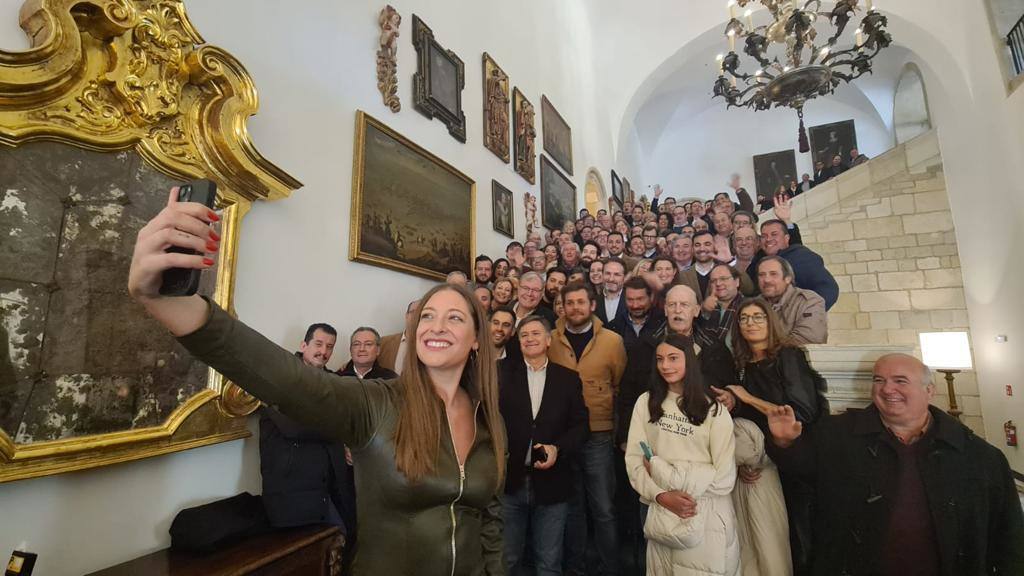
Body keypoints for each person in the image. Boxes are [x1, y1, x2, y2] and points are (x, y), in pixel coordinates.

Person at [127, 191, 507, 575]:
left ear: (477, 338)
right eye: (427, 316)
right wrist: (169, 300)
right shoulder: (377, 404)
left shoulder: (487, 418)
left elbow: (490, 520)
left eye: (455, 318)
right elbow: (286, 380)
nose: (437, 326)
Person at [765, 353, 1024, 575]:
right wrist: (787, 444)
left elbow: (1009, 536)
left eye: (900, 381)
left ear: (929, 390)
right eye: (879, 380)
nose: (887, 389)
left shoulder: (978, 456)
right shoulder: (835, 435)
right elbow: (803, 472)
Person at [727, 297, 829, 575]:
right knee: (774, 538)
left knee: (801, 532)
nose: (751, 323)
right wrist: (751, 461)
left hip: (799, 454)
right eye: (744, 318)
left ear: (770, 320)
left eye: (758, 317)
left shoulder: (788, 355)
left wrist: (747, 397)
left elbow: (802, 412)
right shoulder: (744, 364)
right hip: (770, 459)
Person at [625, 335, 739, 576]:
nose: (665, 366)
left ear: (690, 361)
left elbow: (724, 477)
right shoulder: (645, 403)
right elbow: (635, 461)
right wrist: (662, 496)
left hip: (703, 513)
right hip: (660, 512)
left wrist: (663, 473)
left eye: (673, 358)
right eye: (660, 359)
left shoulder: (714, 410)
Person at [499, 315, 590, 576]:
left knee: (548, 561)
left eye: (536, 333)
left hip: (553, 483)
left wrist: (557, 448)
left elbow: (581, 426)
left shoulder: (568, 378)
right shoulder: (500, 373)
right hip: (510, 481)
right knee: (509, 558)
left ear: (548, 340)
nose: (529, 338)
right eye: (524, 334)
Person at [548, 282, 627, 576]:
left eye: (581, 302)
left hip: (598, 434)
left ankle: (611, 568)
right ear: (562, 307)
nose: (576, 308)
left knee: (604, 508)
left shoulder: (612, 341)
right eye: (570, 303)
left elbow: (618, 385)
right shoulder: (550, 339)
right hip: (563, 435)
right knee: (573, 506)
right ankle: (576, 567)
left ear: (593, 305)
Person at [259, 322, 352, 535]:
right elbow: (295, 427)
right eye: (318, 344)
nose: (324, 352)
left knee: (345, 540)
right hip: (293, 490)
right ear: (304, 345)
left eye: (330, 346)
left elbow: (346, 419)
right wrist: (337, 427)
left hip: (332, 484)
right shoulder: (279, 378)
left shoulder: (335, 381)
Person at [760, 219, 838, 310]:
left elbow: (828, 288)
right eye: (764, 236)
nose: (768, 239)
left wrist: (807, 313)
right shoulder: (761, 262)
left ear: (786, 238)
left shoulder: (801, 257)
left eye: (774, 234)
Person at [756, 257, 827, 345]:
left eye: (773, 274)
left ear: (788, 278)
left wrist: (762, 345)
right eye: (761, 275)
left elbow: (809, 338)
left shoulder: (809, 301)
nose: (766, 280)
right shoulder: (754, 304)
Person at [379, 299, 419, 373]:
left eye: (421, 313)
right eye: (413, 312)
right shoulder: (384, 343)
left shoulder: (431, 345)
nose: (416, 316)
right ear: (406, 316)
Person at [596, 258, 628, 325]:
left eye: (617, 275)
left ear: (624, 278)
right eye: (607, 273)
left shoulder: (631, 300)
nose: (611, 279)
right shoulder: (593, 300)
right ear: (602, 275)